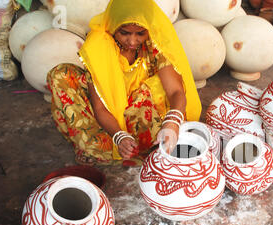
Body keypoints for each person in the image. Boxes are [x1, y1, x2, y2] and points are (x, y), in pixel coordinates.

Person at [47, 0, 202, 166]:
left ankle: (145, 144)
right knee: (61, 75)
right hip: (110, 115)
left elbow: (175, 92)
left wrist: (173, 121)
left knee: (154, 88)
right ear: (114, 25)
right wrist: (119, 136)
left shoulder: (154, 44)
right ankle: (116, 145)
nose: (132, 41)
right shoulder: (99, 46)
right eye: (125, 33)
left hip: (142, 114)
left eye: (140, 33)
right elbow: (100, 108)